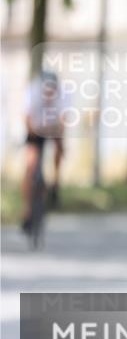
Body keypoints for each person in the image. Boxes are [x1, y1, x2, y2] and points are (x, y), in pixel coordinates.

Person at [22, 70, 68, 232]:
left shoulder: (61, 97)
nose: (49, 94)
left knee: (60, 148)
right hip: (35, 129)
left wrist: (57, 134)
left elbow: (63, 122)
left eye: (52, 90)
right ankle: (27, 211)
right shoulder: (32, 93)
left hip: (52, 128)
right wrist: (34, 130)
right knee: (30, 165)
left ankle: (56, 183)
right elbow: (27, 118)